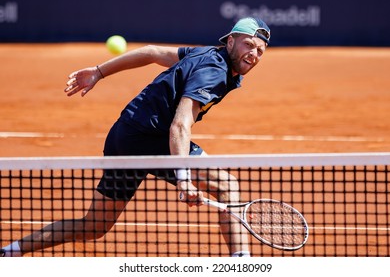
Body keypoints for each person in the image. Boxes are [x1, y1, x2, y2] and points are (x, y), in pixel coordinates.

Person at [1, 17, 270, 257]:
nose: (253, 54)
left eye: (260, 50)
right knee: (227, 185)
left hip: (125, 134)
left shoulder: (203, 55)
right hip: (153, 137)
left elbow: (152, 52)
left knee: (94, 225)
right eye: (248, 44)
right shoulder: (213, 72)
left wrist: (99, 71)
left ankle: (9, 251)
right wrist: (183, 178)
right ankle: (241, 264)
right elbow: (179, 125)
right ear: (231, 41)